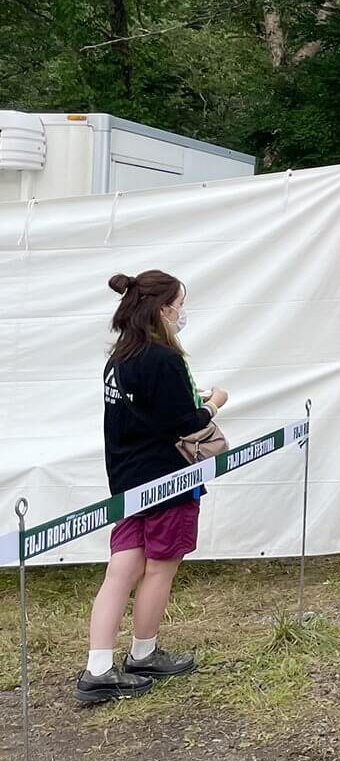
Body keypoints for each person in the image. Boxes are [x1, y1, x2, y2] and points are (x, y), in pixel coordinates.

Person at [76, 271, 228, 703]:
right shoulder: (162, 359)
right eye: (180, 303)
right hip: (167, 480)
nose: (183, 312)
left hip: (126, 480)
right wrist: (214, 402)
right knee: (160, 567)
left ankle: (99, 666)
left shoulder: (120, 358)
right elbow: (185, 422)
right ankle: (143, 652)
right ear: (163, 308)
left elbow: (142, 415)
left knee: (120, 570)